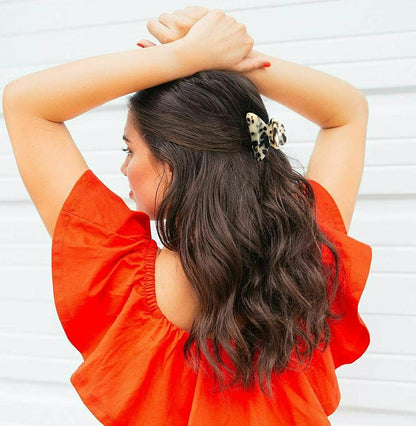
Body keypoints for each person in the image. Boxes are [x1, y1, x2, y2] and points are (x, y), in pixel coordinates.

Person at [2, 6, 372, 426]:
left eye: (130, 150)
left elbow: (25, 102)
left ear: (174, 164)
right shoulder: (310, 255)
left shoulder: (121, 276)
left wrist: (184, 57)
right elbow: (347, 111)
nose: (124, 166)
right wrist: (226, 59)